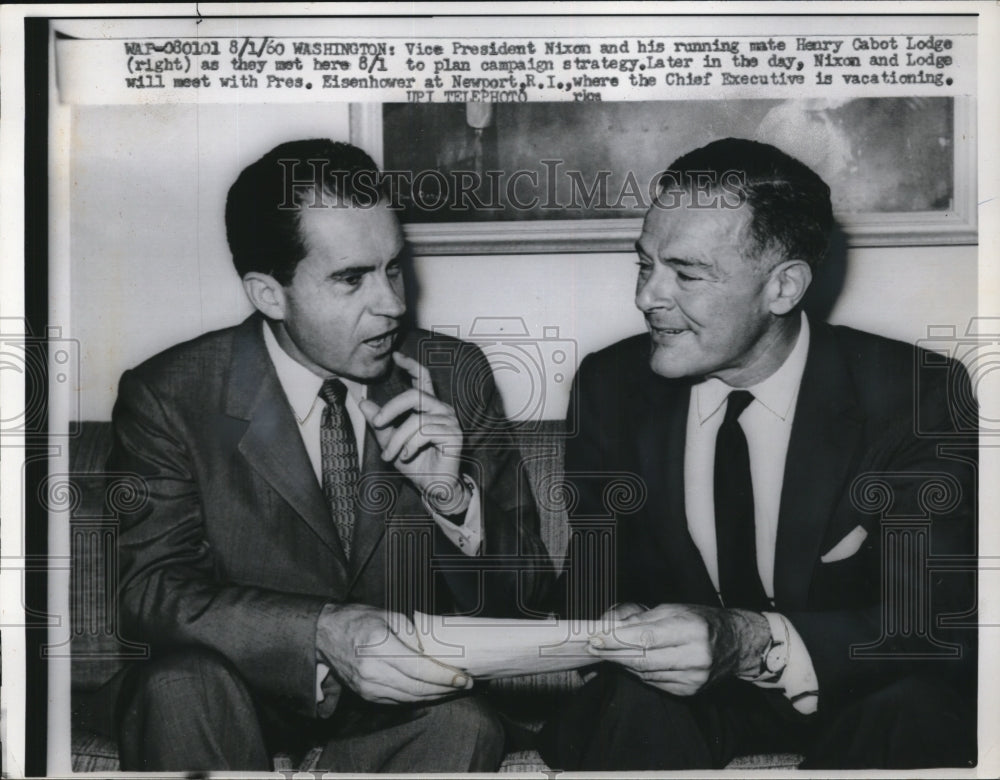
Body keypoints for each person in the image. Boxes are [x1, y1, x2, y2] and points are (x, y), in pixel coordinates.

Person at [106, 139, 553, 772]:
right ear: (269, 294)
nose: (393, 304)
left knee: (464, 723)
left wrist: (452, 499)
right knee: (178, 687)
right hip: (237, 691)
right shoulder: (171, 394)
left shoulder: (455, 375)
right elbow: (150, 591)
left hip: (406, 705)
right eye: (351, 278)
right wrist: (320, 630)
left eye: (393, 268)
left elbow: (530, 598)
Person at [539, 138, 977, 770]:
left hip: (854, 690)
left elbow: (937, 616)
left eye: (686, 274)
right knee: (628, 707)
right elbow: (590, 575)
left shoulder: (914, 394)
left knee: (918, 712)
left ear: (783, 287)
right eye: (644, 264)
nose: (646, 297)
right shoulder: (610, 387)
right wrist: (614, 617)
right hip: (679, 701)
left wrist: (752, 641)